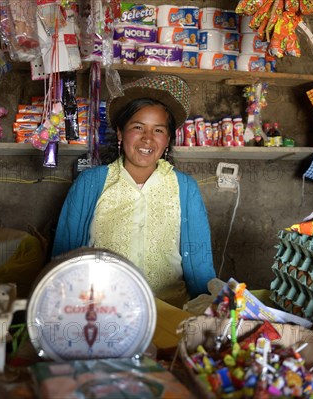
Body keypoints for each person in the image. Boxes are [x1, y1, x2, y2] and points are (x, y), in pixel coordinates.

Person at [52, 75, 215, 308]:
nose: (147, 138)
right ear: (120, 133)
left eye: (158, 130)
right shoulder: (91, 183)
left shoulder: (185, 187)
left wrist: (207, 312)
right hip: (101, 312)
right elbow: (64, 255)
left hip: (170, 311)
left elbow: (200, 262)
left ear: (168, 139)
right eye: (138, 127)